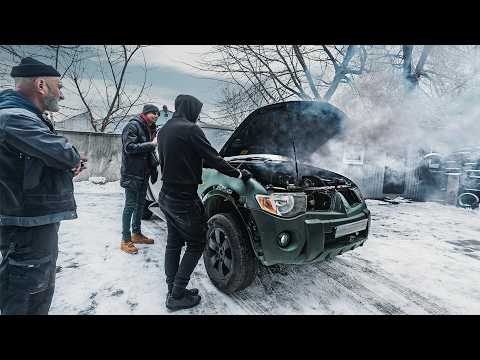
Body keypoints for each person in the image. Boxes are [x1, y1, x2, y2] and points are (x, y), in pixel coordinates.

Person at [0, 57, 86, 315]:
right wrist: (70, 157)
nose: (61, 94)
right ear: (40, 85)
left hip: (30, 218)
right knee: (27, 293)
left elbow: (44, 158)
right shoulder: (13, 117)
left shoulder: (26, 115)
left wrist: (66, 159)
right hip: (26, 222)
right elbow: (62, 152)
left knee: (27, 286)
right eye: (58, 86)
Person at [157, 94, 252, 311]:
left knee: (173, 243)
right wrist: (238, 174)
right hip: (183, 198)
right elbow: (213, 158)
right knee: (197, 243)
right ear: (191, 109)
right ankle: (177, 295)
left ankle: (173, 289)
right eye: (197, 111)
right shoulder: (190, 129)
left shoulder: (165, 130)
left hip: (167, 196)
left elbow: (184, 157)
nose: (198, 116)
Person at [120, 104, 160, 254]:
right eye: (153, 113)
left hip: (144, 173)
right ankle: (125, 240)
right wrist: (152, 144)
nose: (156, 116)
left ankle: (136, 234)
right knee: (130, 205)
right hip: (132, 173)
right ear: (145, 113)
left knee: (140, 205)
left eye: (157, 114)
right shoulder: (133, 126)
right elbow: (129, 148)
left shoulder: (150, 128)